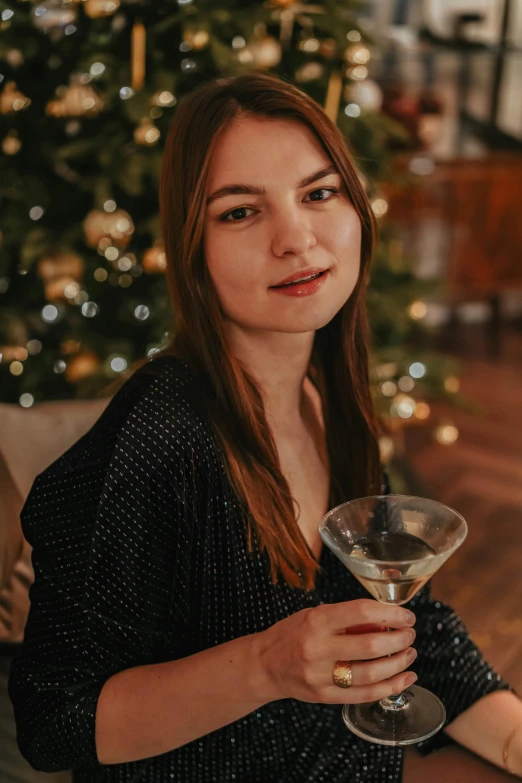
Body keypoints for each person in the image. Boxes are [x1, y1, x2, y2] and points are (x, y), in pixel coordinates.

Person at [8, 73, 522, 783]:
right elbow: (54, 723)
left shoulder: (327, 393)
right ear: (193, 247)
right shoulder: (162, 436)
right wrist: (266, 664)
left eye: (318, 193)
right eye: (240, 212)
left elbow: (407, 621)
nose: (297, 238)